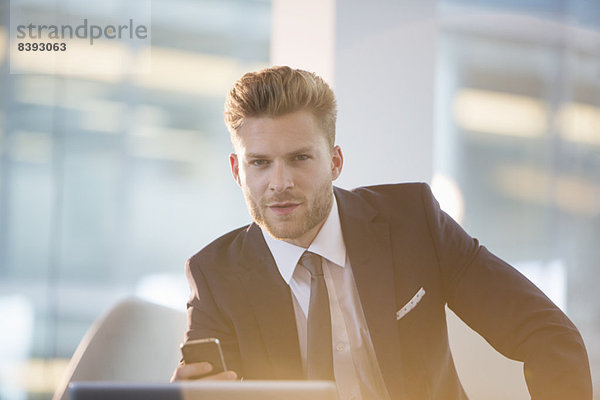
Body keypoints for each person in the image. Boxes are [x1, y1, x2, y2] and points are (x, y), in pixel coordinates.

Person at [171, 66, 593, 399]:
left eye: (300, 158)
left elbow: (545, 331)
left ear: (335, 162)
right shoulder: (214, 275)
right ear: (236, 170)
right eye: (259, 163)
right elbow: (203, 388)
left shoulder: (413, 223)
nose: (279, 182)